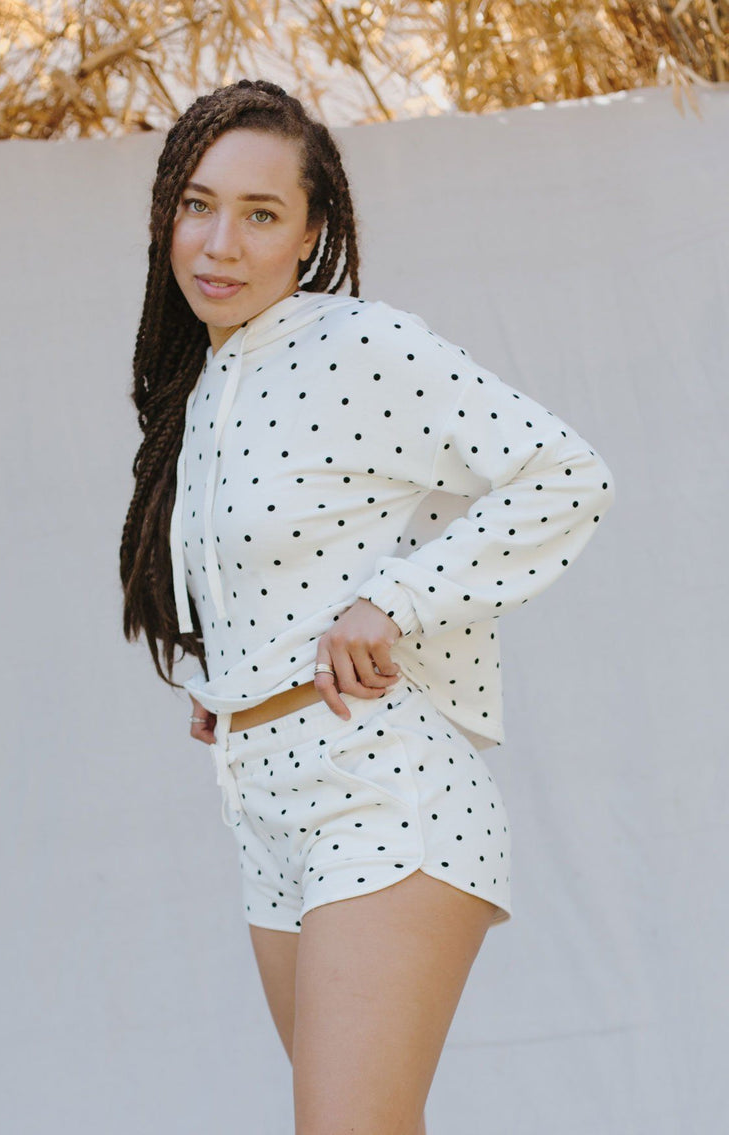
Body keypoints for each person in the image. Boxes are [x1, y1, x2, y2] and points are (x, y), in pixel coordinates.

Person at [120, 78, 615, 1135]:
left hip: (381, 793)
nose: (218, 241)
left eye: (259, 215)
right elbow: (286, 557)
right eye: (197, 204)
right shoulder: (202, 387)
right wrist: (233, 682)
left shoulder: (355, 345)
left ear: (310, 231)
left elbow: (565, 474)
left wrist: (392, 602)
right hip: (263, 810)